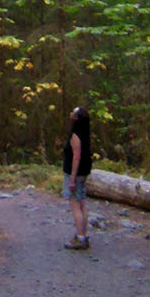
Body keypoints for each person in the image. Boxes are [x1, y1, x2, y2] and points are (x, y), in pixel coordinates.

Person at [62, 105, 92, 250]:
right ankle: (84, 235)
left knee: (75, 205)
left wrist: (72, 179)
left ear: (76, 118)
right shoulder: (85, 133)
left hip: (75, 173)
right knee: (82, 204)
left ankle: (80, 238)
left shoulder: (75, 135)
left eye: (73, 113)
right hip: (84, 172)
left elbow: (76, 157)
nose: (70, 114)